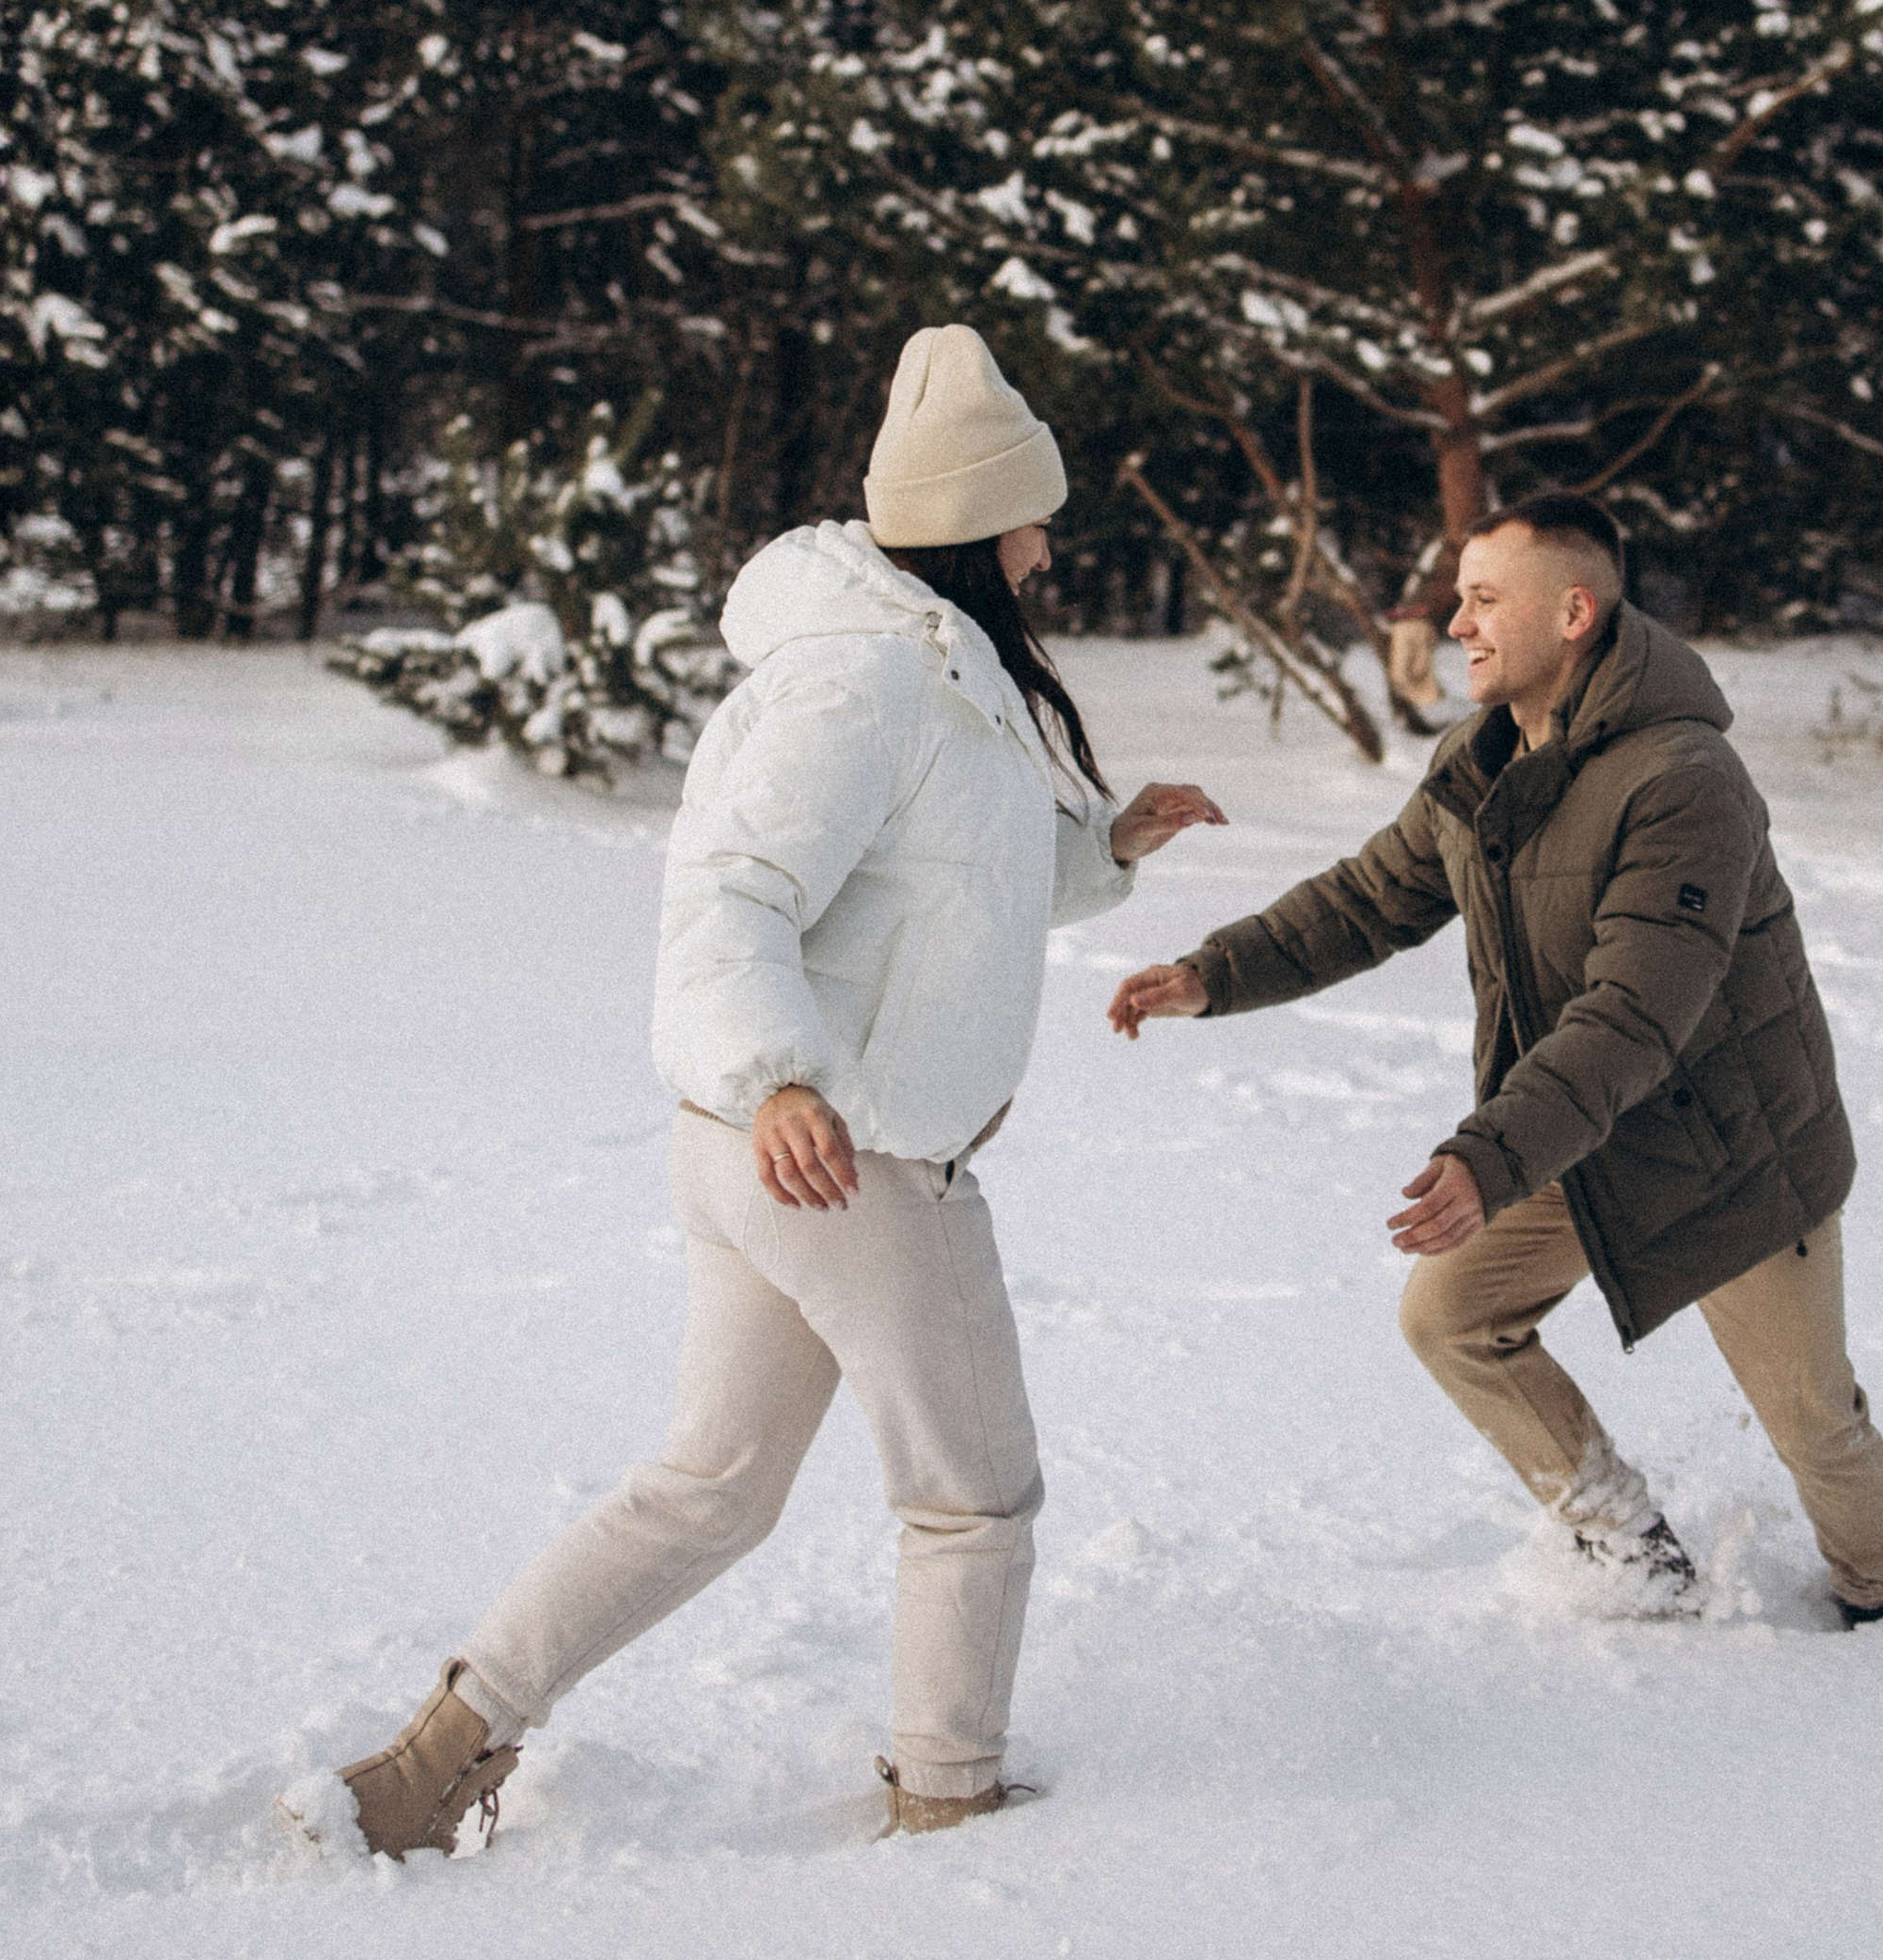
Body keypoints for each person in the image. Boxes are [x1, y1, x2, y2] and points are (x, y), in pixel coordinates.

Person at [297, 326, 1224, 1857]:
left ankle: (435, 1759)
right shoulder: (870, 684)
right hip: (846, 1161)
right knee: (974, 1498)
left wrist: (1104, 853)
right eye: (1034, 516)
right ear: (979, 525)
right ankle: (948, 1794)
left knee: (709, 1490)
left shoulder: (927, 671)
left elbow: (949, 894)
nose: (1052, 545)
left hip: (764, 1158)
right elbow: (728, 894)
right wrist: (783, 1077)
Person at [1109, 495, 1883, 1628]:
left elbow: (1637, 1010)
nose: (1456, 623)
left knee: (1810, 1422)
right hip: (1572, 1132)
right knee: (1450, 1315)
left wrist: (1490, 1156)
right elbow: (1371, 896)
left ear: (1574, 612)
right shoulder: (1483, 758)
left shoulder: (1683, 780)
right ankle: (1623, 1540)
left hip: (1726, 1151)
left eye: (1485, 599)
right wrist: (1217, 974)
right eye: (1459, 599)